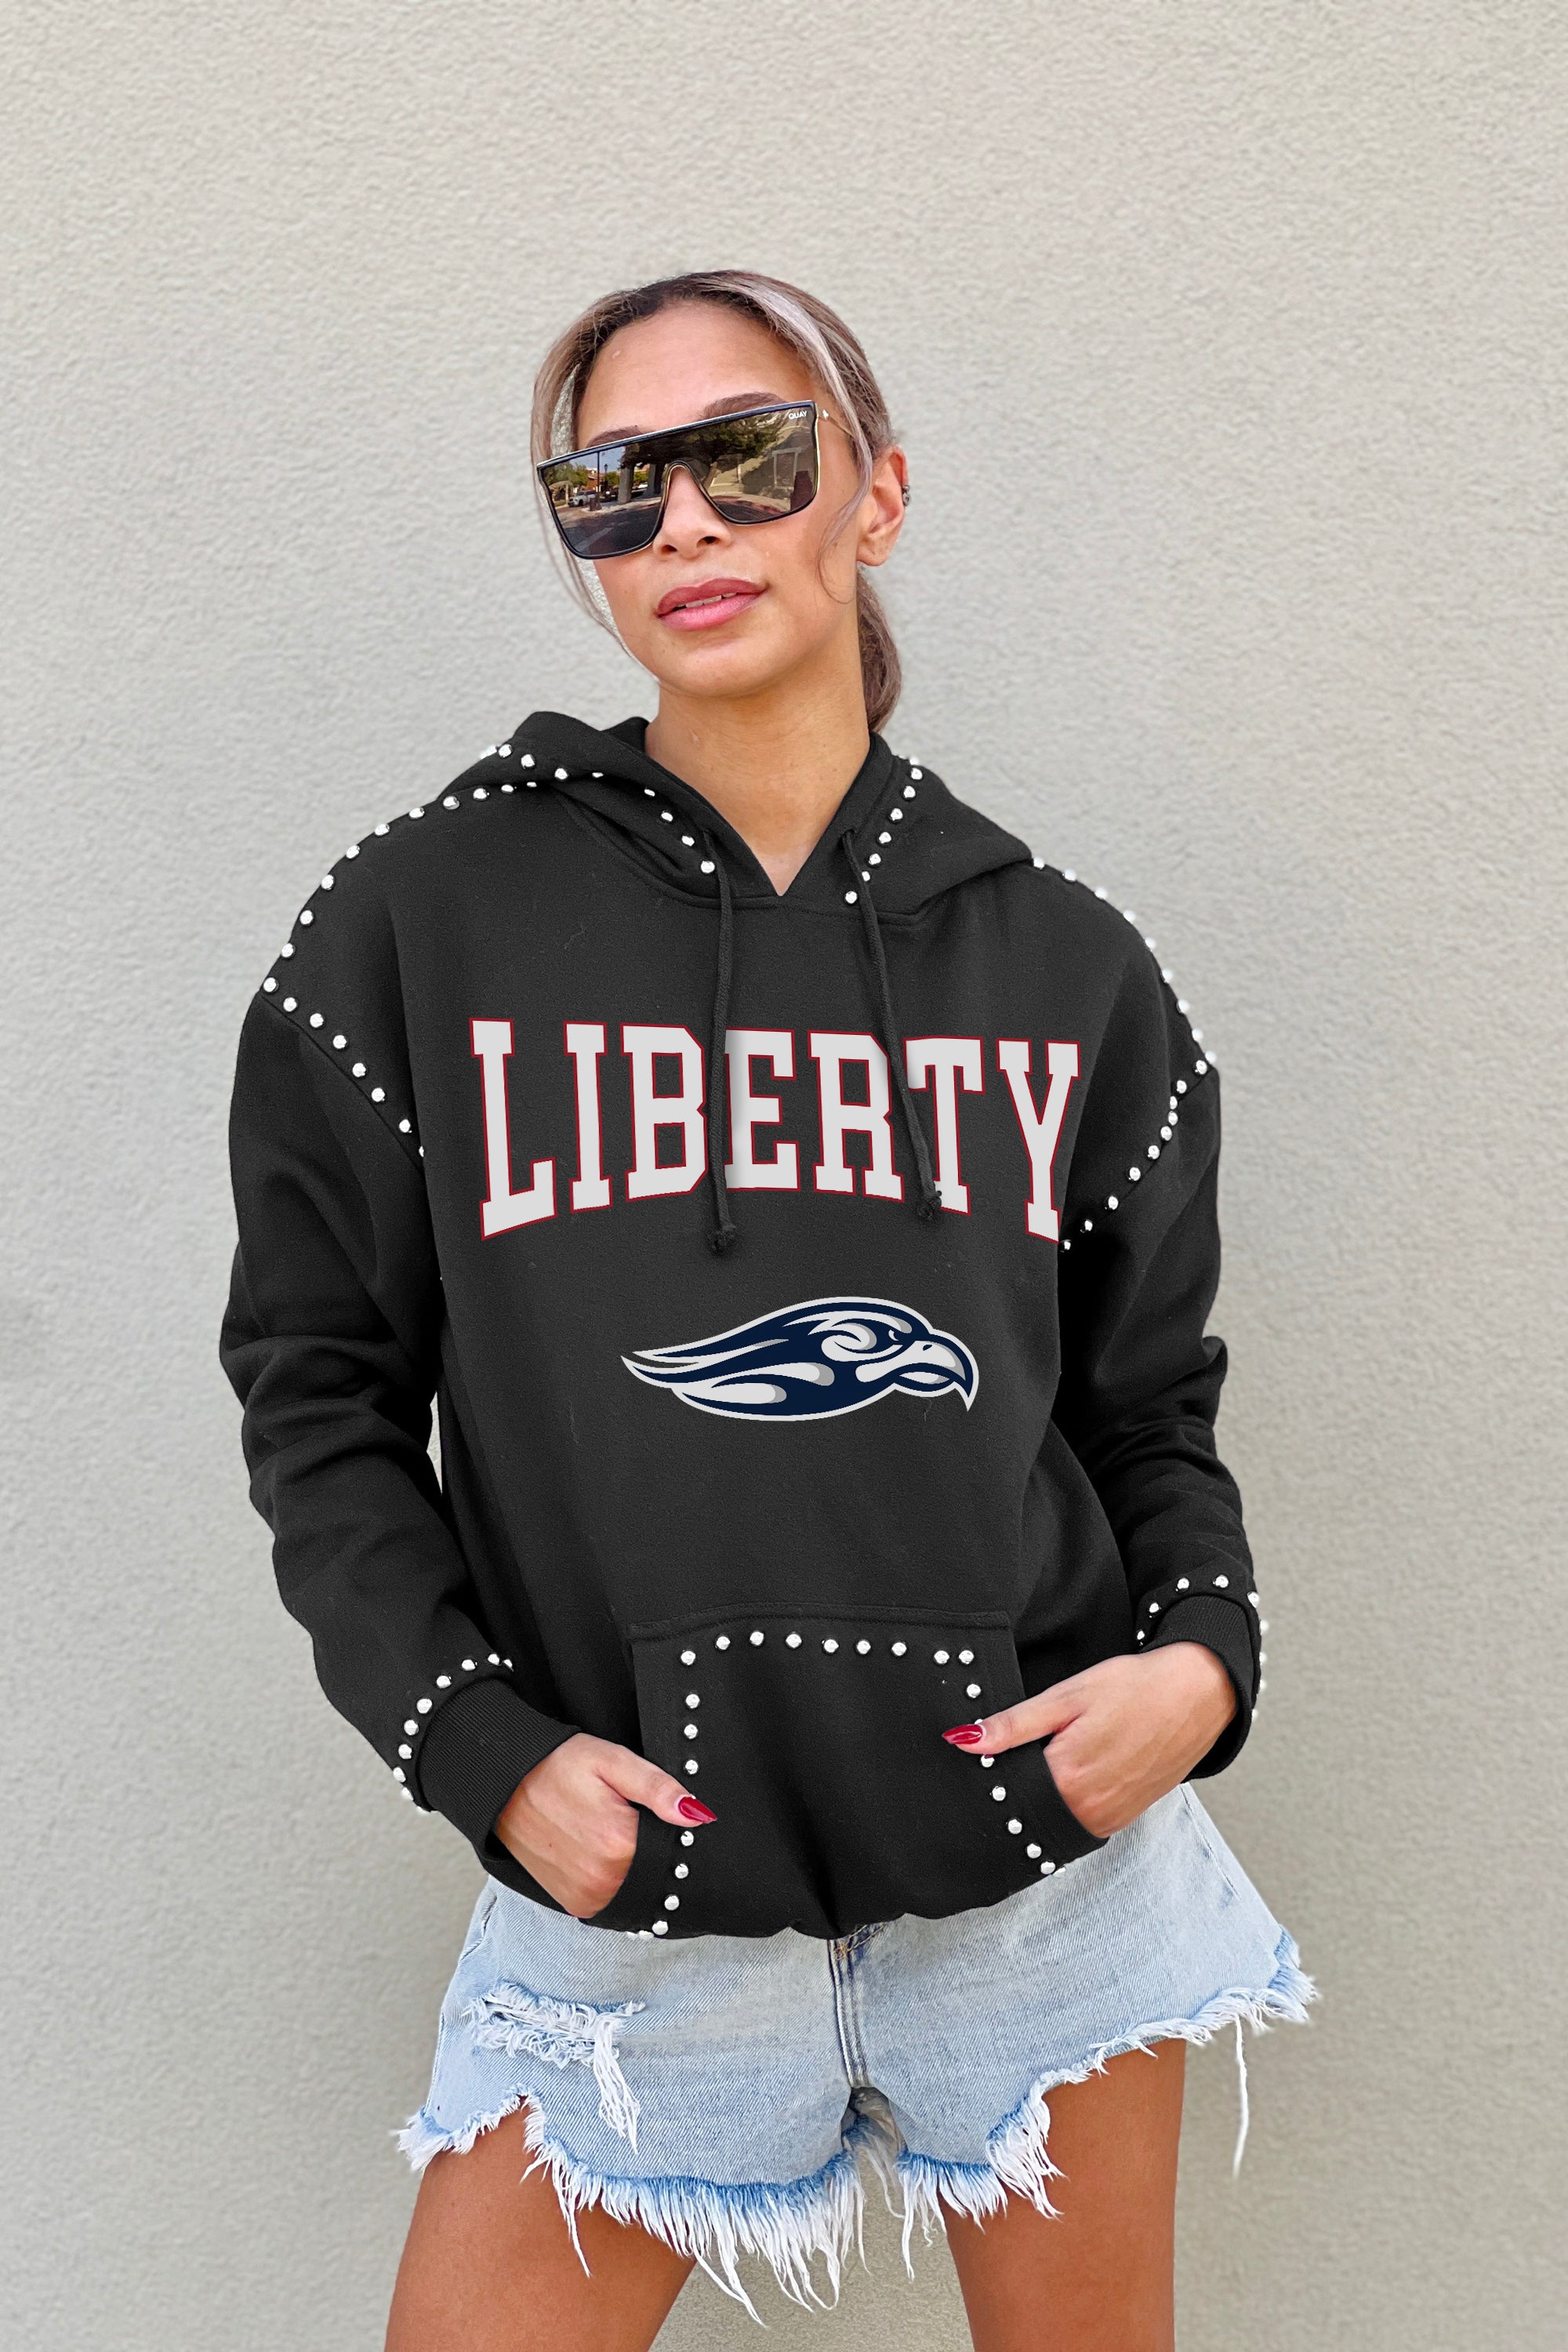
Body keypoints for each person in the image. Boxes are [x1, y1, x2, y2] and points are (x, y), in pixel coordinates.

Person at [220, 269, 1313, 2351]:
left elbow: (1148, 1410)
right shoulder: (415, 930)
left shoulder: (1071, 970)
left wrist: (1200, 1664)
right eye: (611, 487)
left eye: (747, 454)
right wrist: (478, 1748)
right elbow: (318, 1392)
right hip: (635, 1904)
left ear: (874, 493)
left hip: (1048, 1888)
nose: (685, 523)